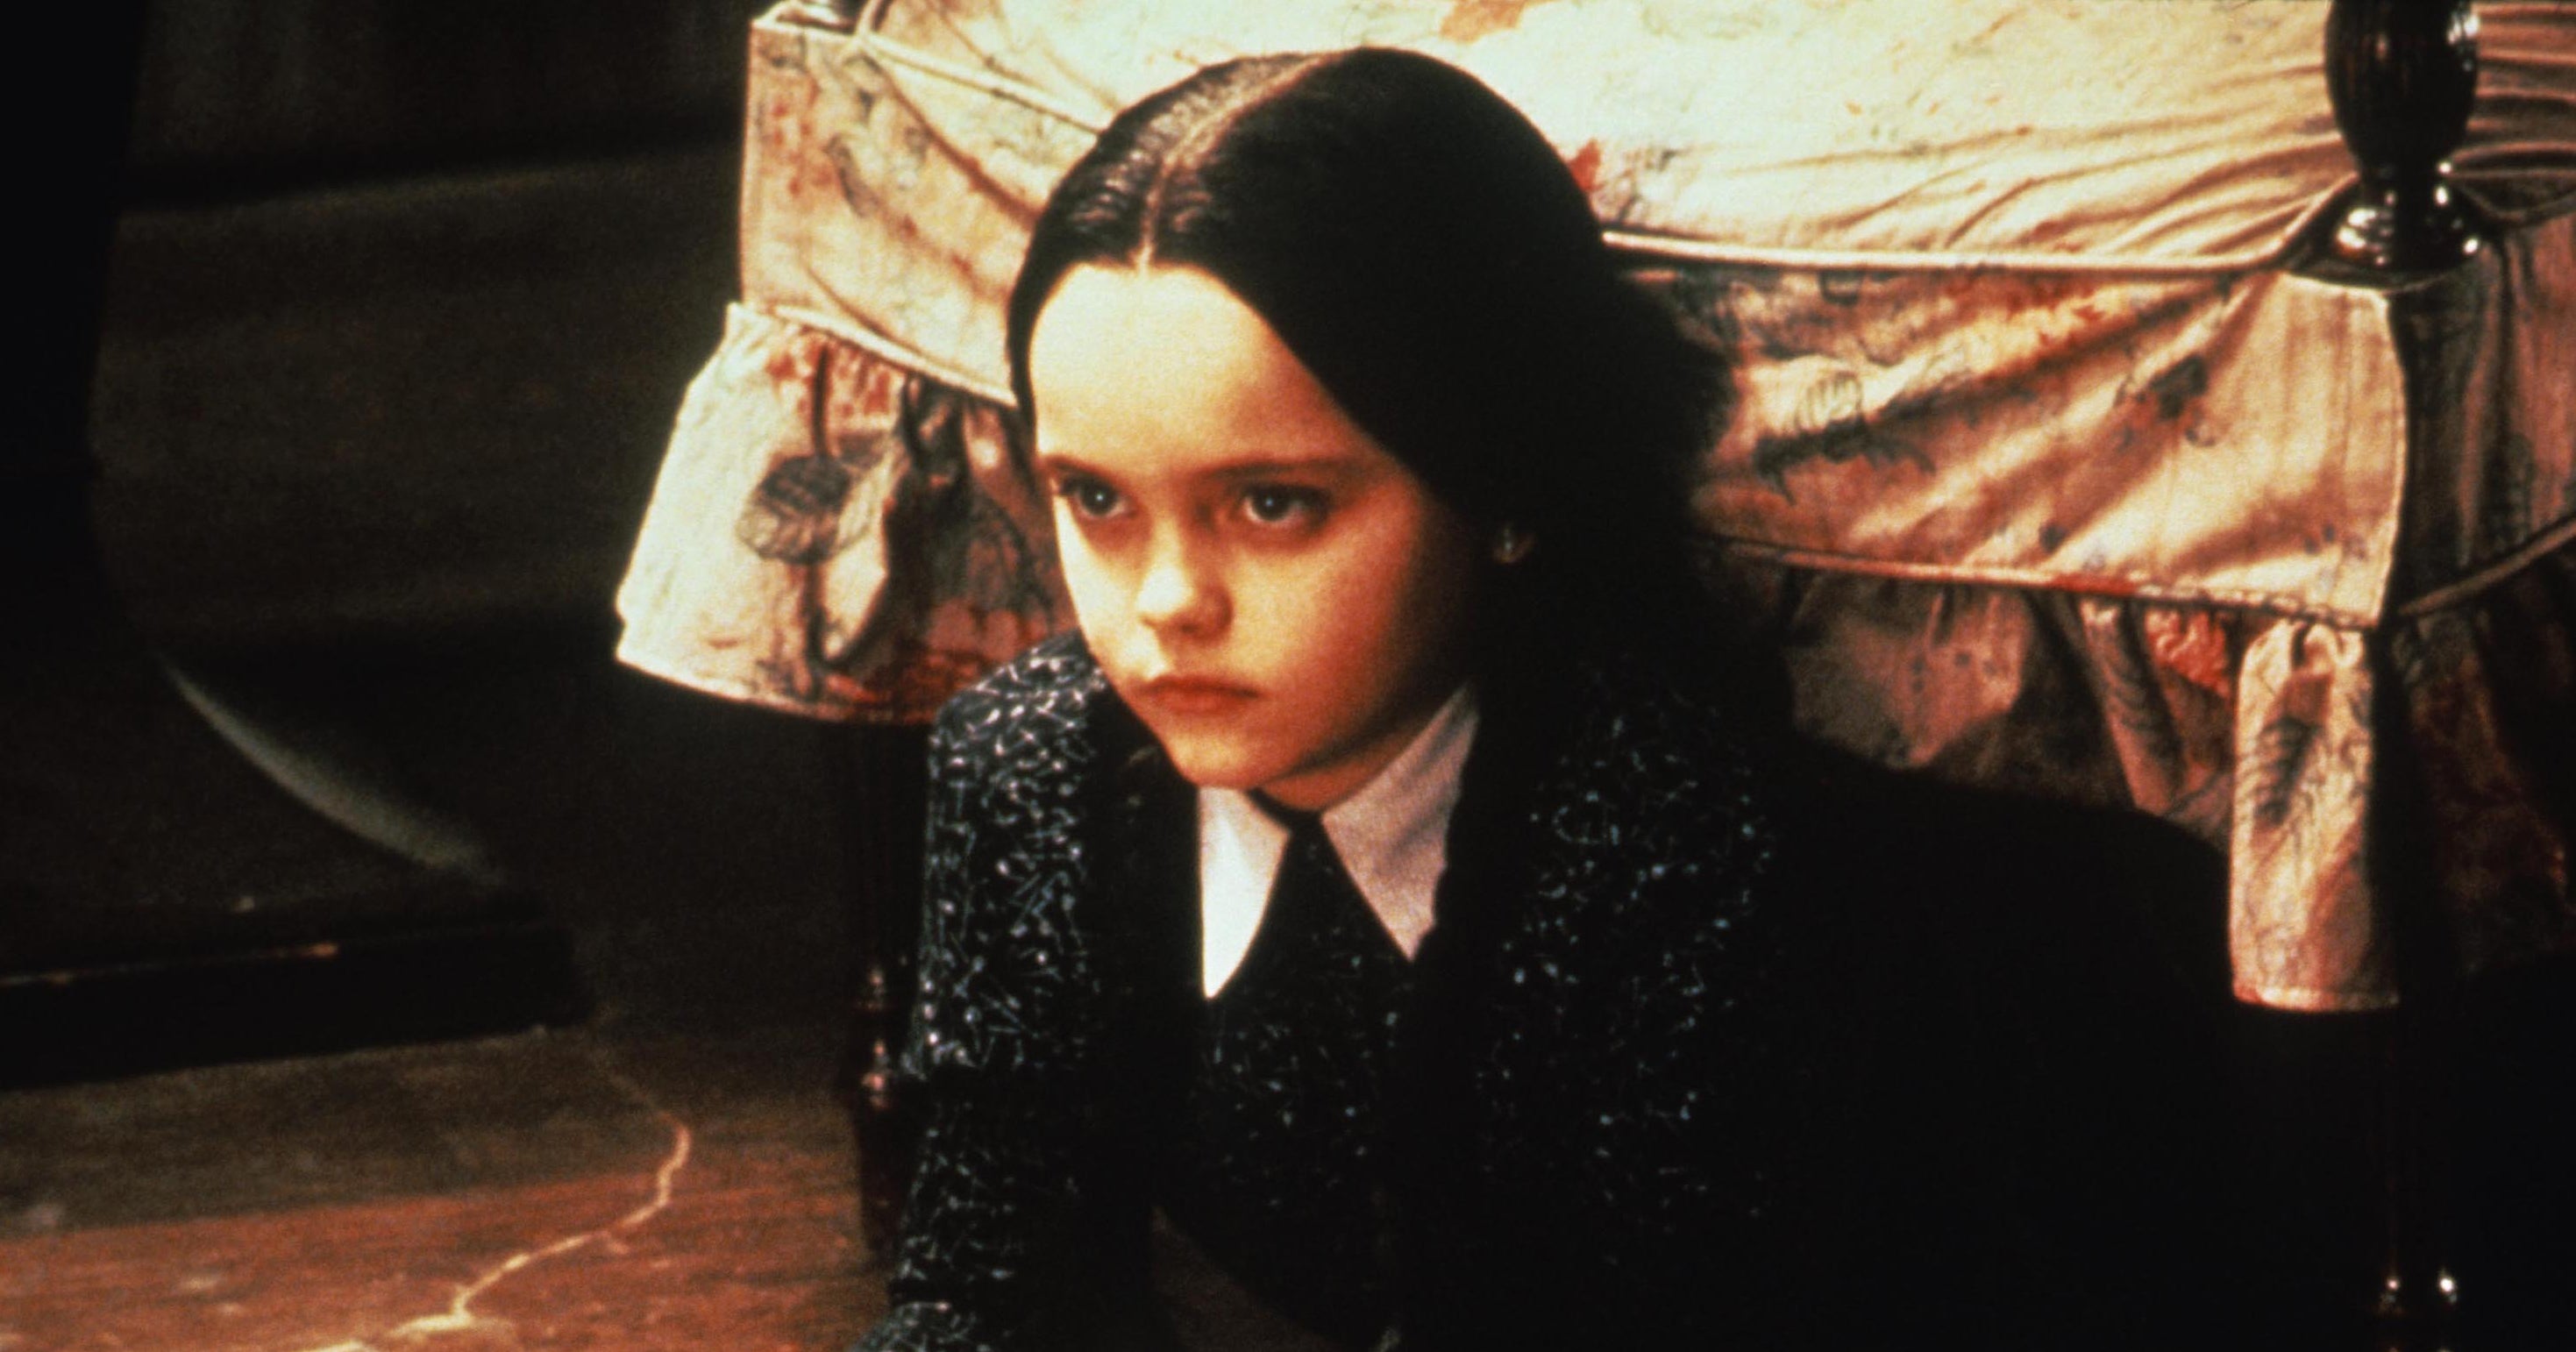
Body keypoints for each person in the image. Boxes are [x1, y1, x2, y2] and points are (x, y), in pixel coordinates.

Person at [855, 47, 1825, 1352]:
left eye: (1272, 504)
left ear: (1502, 489)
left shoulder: (1669, 827)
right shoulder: (1027, 763)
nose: (1167, 603)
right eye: (1096, 498)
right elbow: (980, 1288)